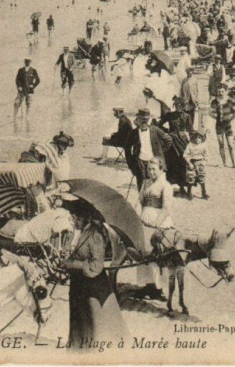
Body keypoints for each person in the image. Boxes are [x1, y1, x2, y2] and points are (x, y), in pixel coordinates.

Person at [63, 200, 128, 349]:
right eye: (74, 217)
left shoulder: (95, 235)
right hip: (79, 286)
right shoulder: (82, 233)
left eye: (78, 218)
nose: (75, 221)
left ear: (87, 218)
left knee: (95, 326)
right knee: (80, 324)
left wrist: (73, 264)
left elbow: (97, 266)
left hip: (92, 287)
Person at [126, 156, 173, 300]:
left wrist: (156, 224)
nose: (151, 172)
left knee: (157, 255)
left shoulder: (166, 185)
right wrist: (136, 215)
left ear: (161, 169)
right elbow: (140, 201)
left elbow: (166, 209)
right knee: (142, 254)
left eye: (153, 169)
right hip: (144, 220)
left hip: (158, 222)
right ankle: (146, 285)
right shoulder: (145, 183)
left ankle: (158, 289)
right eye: (149, 169)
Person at [124, 109, 173, 190]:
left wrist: (161, 151)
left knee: (157, 186)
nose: (144, 121)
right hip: (140, 163)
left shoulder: (155, 130)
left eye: (146, 119)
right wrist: (131, 164)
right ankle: (143, 202)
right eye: (142, 119)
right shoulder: (133, 133)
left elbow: (168, 139)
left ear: (149, 120)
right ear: (138, 120)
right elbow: (127, 149)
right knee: (142, 186)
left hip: (155, 162)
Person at [210, 84, 235, 168]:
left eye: (222, 91)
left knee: (230, 144)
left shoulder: (230, 100)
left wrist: (230, 119)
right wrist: (217, 118)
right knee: (221, 143)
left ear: (226, 91)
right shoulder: (214, 101)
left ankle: (234, 163)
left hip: (228, 125)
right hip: (219, 125)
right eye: (219, 91)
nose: (220, 93)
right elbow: (210, 112)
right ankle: (223, 162)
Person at [183, 130, 208, 200]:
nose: (197, 139)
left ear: (202, 138)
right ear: (193, 138)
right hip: (192, 162)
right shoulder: (190, 145)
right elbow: (185, 155)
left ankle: (204, 192)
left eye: (199, 137)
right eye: (196, 137)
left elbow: (206, 155)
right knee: (191, 177)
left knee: (202, 177)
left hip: (200, 162)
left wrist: (204, 162)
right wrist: (189, 163)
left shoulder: (203, 145)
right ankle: (189, 192)